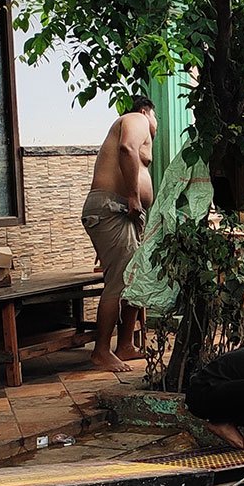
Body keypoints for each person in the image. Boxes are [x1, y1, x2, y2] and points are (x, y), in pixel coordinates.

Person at [82, 96, 157, 372]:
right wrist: (134, 196)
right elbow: (127, 149)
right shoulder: (136, 119)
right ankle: (100, 351)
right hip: (116, 208)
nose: (156, 125)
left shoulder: (136, 124)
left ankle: (125, 345)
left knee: (134, 278)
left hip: (123, 213)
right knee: (121, 280)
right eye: (156, 118)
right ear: (146, 110)